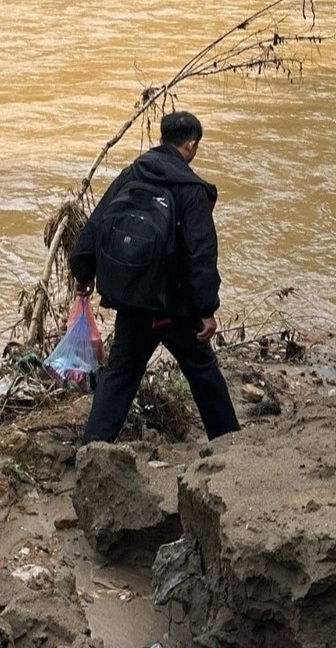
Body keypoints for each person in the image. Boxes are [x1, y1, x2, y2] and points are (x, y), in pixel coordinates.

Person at [69, 110, 239, 444]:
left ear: (162, 139)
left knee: (119, 375)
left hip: (133, 300)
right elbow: (201, 253)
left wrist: (83, 274)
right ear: (190, 145)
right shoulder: (191, 189)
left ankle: (94, 447)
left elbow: (97, 224)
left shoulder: (131, 175)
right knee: (202, 370)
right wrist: (207, 308)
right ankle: (228, 443)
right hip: (175, 307)